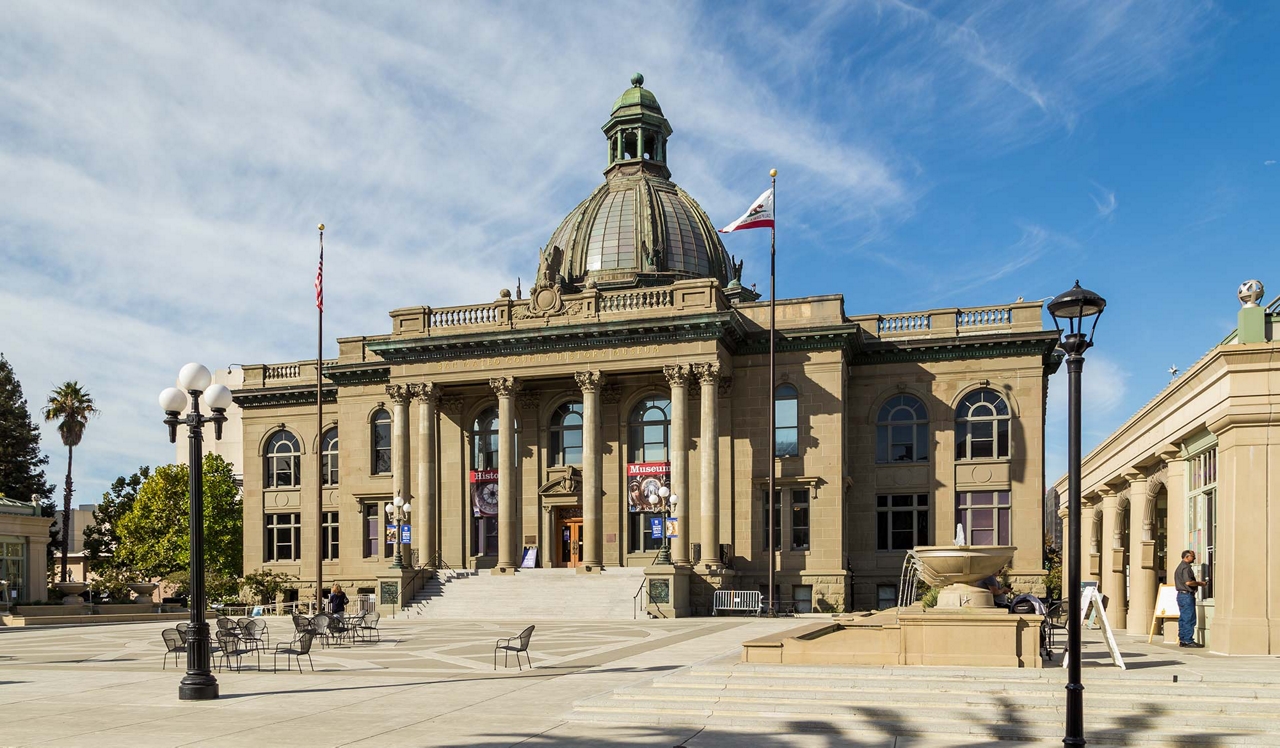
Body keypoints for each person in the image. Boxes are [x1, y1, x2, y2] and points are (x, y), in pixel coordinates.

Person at [1175, 550, 1208, 648]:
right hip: (1186, 595)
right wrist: (1200, 583)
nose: (1194, 558)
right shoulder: (1185, 567)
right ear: (1187, 557)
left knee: (1183, 618)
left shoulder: (1180, 567)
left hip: (1181, 595)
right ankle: (1188, 640)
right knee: (1189, 618)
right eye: (1192, 556)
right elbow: (1188, 582)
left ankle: (1183, 639)